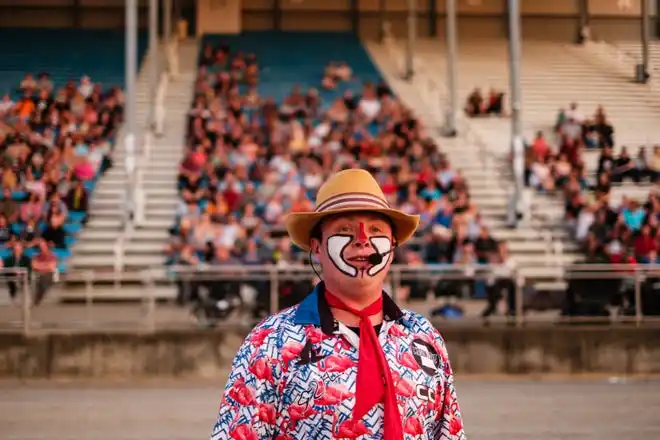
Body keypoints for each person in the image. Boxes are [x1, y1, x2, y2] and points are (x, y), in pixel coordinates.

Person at [210, 169, 466, 439]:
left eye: (376, 229)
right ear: (317, 247)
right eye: (345, 229)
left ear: (391, 247)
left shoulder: (424, 337)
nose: (362, 240)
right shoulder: (270, 343)